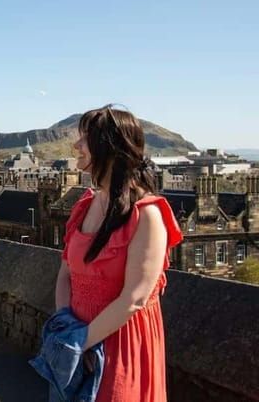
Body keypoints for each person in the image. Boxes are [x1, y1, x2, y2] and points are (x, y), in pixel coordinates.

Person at [53, 105, 182, 401]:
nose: (76, 145)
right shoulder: (84, 205)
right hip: (76, 341)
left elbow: (134, 298)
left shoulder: (147, 214)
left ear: (110, 149)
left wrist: (82, 341)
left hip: (120, 344)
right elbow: (65, 275)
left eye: (84, 138)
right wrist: (66, 330)